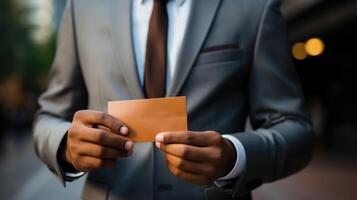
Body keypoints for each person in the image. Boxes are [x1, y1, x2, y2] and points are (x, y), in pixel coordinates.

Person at [33, 0, 314, 199]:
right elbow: (48, 116)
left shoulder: (255, 6)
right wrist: (66, 146)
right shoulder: (82, 7)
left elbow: (295, 128)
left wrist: (234, 156)